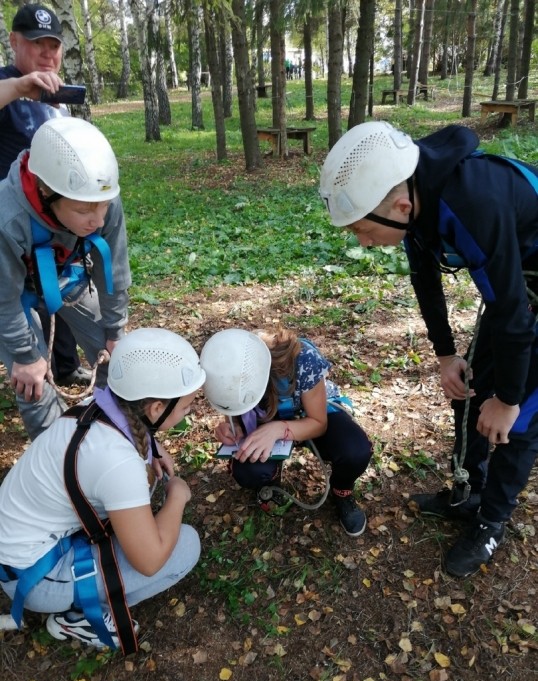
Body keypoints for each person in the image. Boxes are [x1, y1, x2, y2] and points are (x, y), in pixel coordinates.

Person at [319, 120, 538, 577]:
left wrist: (510, 399)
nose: (363, 241)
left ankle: (492, 522)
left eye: (362, 229)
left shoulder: (472, 202)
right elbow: (425, 277)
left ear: (399, 207)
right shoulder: (417, 196)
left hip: (523, 295)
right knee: (474, 387)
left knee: (520, 418)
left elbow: (513, 316)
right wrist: (445, 355)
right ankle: (468, 491)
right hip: (519, 291)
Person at [0, 328, 205, 651]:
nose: (188, 413)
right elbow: (149, 561)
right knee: (185, 547)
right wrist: (177, 496)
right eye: (185, 408)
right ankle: (77, 617)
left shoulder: (97, 404)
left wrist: (152, 445)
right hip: (32, 574)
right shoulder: (117, 462)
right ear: (155, 408)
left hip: (23, 545)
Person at [0, 114, 131, 440]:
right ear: (45, 192)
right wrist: (26, 356)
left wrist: (115, 330)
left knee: (118, 361)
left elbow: (112, 269)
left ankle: (113, 437)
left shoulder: (101, 199)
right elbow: (3, 299)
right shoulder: (8, 218)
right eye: (85, 211)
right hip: (12, 294)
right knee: (34, 386)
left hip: (64, 274)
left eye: (102, 207)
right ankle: (59, 466)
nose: (98, 220)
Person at [200, 328, 373, 536]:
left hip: (313, 414)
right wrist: (233, 426)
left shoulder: (301, 359)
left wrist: (280, 428)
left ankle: (341, 490)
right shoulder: (226, 371)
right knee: (247, 470)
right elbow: (235, 409)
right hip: (267, 419)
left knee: (355, 451)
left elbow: (319, 423)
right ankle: (270, 482)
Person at [0, 3, 91, 387]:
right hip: (14, 225)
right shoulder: (9, 83)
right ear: (14, 42)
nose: (47, 53)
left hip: (56, 224)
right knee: (21, 303)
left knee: (60, 293)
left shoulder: (57, 96)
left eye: (54, 44)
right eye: (38, 43)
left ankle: (66, 368)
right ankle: (32, 372)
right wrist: (22, 86)